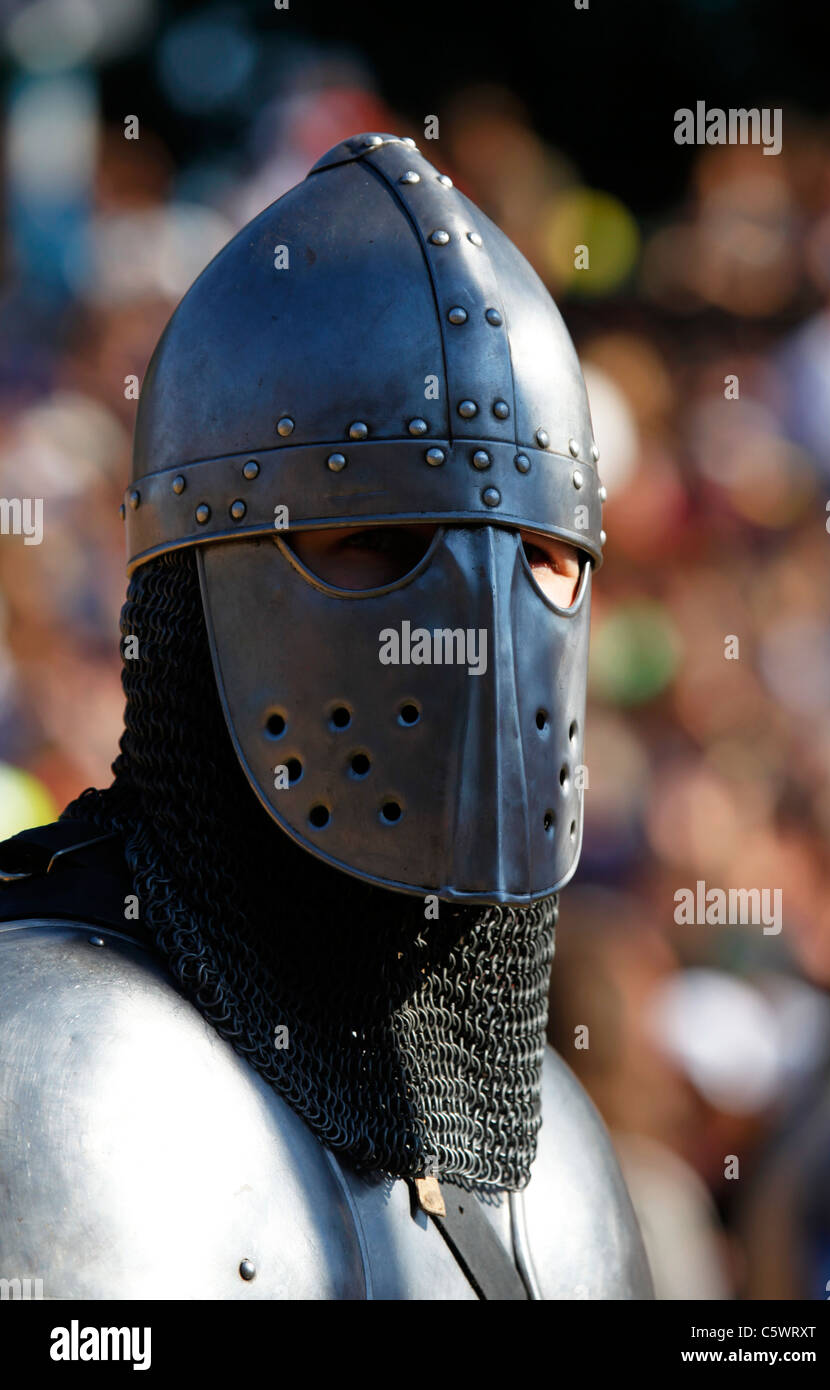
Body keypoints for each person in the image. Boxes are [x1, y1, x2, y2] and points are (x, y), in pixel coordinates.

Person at [0, 132, 651, 1300]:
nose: (476, 641)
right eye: (376, 547)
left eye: (543, 561)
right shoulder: (42, 1061)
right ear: (199, 594)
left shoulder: (553, 1155)